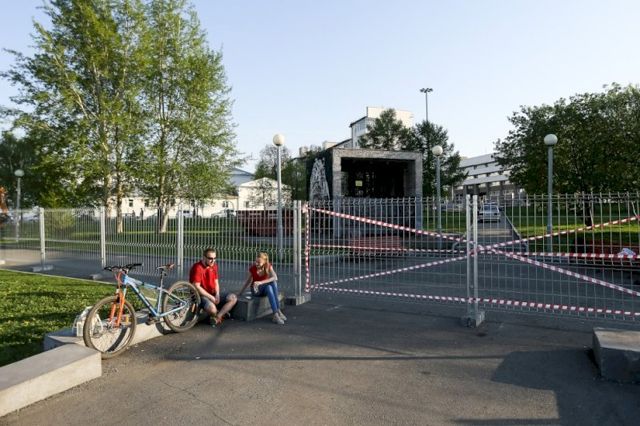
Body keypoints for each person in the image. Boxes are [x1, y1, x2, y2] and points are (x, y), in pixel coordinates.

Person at [189, 248, 237, 326]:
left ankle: (218, 316)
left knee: (233, 298)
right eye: (210, 258)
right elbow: (197, 287)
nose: (213, 261)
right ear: (204, 257)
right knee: (212, 309)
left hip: (213, 293)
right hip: (201, 295)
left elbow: (216, 282)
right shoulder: (198, 267)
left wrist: (217, 294)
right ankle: (219, 313)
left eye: (214, 258)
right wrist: (211, 297)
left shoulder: (214, 266)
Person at [238, 252, 287, 325]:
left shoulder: (268, 266)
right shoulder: (253, 268)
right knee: (271, 284)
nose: (256, 263)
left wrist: (261, 282)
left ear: (264, 262)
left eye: (259, 262)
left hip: (265, 289)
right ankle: (277, 313)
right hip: (256, 290)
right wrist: (240, 292)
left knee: (272, 284)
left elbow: (275, 277)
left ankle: (277, 313)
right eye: (256, 261)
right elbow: (248, 281)